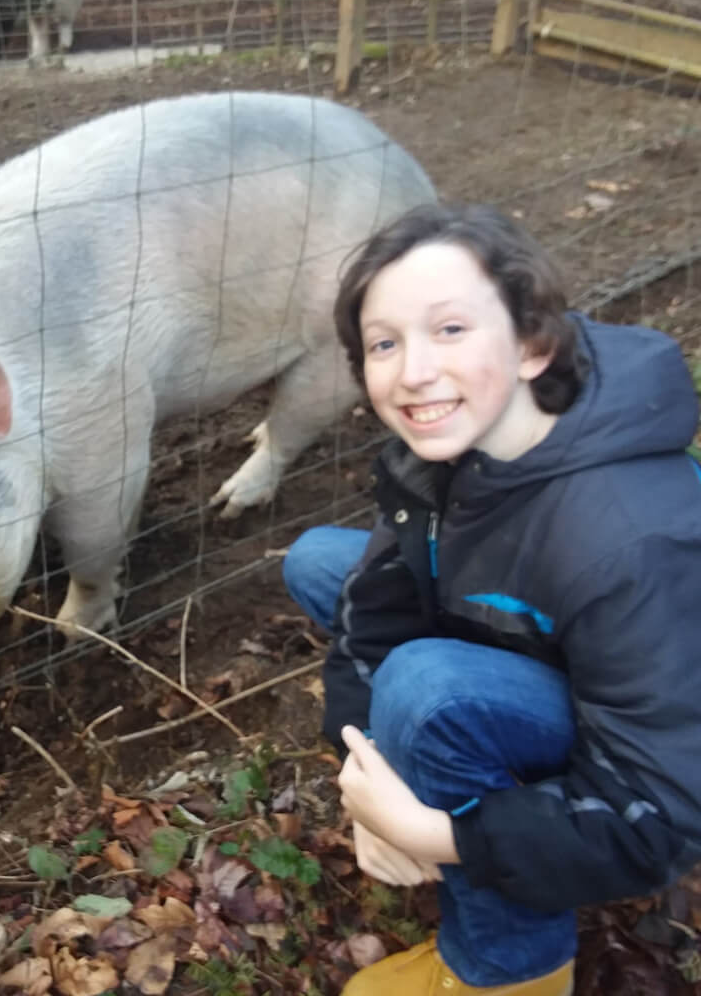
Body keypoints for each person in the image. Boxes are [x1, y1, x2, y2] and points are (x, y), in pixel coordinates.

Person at [282, 202, 701, 995]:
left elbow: (663, 818)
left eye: (450, 329)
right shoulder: (449, 442)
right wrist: (369, 781)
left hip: (656, 754)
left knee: (428, 688)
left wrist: (439, 834)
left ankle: (514, 969)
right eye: (384, 343)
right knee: (320, 564)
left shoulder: (629, 536)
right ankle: (457, 759)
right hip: (553, 647)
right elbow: (373, 610)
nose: (413, 372)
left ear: (533, 344)